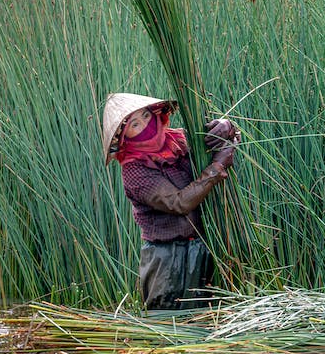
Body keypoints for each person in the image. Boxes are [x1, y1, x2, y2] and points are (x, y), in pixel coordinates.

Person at [102, 92, 238, 310]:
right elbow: (179, 203)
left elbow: (226, 140)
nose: (145, 125)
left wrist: (226, 127)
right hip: (166, 258)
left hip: (200, 248)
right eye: (135, 124)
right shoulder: (134, 171)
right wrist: (217, 168)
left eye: (146, 116)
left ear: (156, 113)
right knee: (169, 325)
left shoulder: (179, 140)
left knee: (203, 317)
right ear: (124, 137)